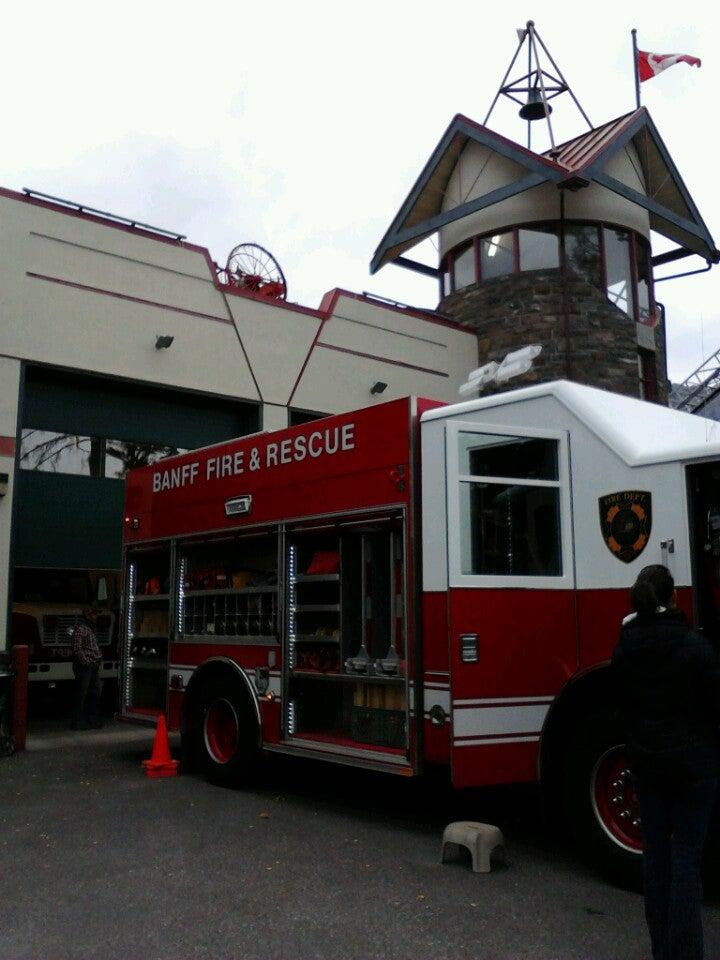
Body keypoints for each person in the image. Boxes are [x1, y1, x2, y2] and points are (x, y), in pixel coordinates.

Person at [612, 564, 720, 960]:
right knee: (687, 860)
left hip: (648, 767)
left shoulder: (624, 648)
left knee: (655, 859)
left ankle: (662, 951)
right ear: (674, 598)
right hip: (694, 770)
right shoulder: (695, 646)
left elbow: (621, 706)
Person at [71, 604, 103, 730]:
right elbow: (77, 648)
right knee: (81, 694)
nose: (96, 616)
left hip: (93, 666)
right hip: (85, 667)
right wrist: (86, 661)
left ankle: (92, 718)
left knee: (95, 692)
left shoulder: (90, 628)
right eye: (94, 614)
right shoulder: (80, 628)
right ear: (88, 615)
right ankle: (77, 721)